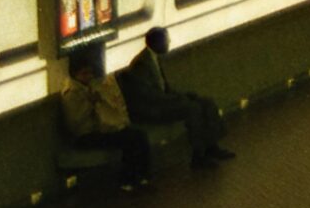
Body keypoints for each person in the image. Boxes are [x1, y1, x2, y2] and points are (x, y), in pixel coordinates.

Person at [117, 26, 234, 167]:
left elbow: (164, 89)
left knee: (206, 102)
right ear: (157, 43)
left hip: (160, 104)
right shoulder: (141, 64)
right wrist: (178, 99)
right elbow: (150, 96)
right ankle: (198, 155)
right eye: (166, 40)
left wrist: (182, 95)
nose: (169, 42)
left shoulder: (152, 59)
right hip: (151, 110)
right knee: (192, 109)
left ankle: (211, 146)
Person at [59, 46, 151, 192]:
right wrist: (90, 104)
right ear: (75, 75)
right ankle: (129, 179)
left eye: (89, 73)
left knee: (136, 135)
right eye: (84, 74)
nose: (88, 77)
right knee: (130, 139)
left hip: (98, 130)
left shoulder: (89, 88)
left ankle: (140, 176)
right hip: (85, 136)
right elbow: (75, 123)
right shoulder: (72, 94)